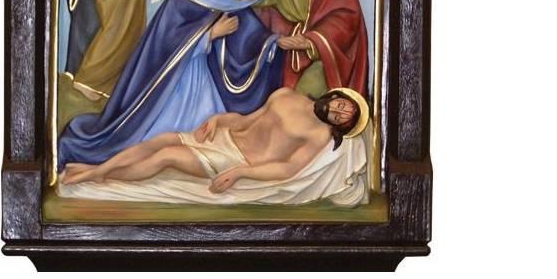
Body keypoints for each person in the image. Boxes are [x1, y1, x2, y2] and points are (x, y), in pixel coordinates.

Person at [58, 0, 284, 170]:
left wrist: (274, 43)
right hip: (170, 79)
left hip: (199, 74)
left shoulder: (234, 2)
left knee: (202, 134)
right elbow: (167, 38)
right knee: (157, 136)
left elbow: (252, 35)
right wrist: (210, 35)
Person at [60, 86, 368, 192]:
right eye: (342, 105)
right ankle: (97, 171)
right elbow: (246, 120)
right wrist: (218, 120)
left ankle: (93, 174)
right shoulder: (287, 94)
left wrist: (241, 172)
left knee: (166, 157)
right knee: (160, 140)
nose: (337, 111)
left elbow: (288, 168)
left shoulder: (319, 134)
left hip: (235, 159)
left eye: (343, 117)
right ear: (335, 96)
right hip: (226, 137)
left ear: (339, 127)